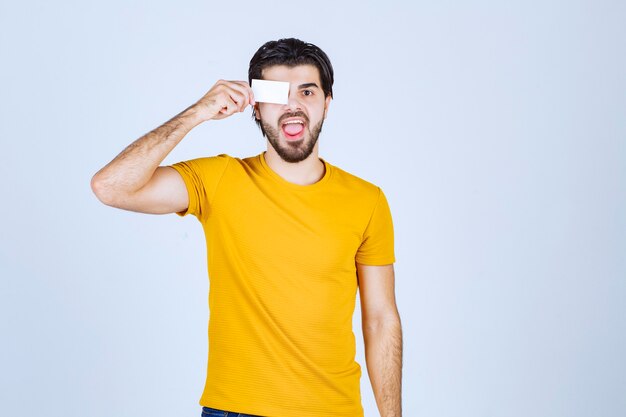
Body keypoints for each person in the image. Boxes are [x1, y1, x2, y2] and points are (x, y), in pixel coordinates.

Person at [91, 38, 402, 417]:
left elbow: (381, 318)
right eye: (277, 94)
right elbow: (110, 186)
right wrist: (197, 112)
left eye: (307, 91)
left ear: (327, 103)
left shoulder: (366, 200)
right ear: (255, 109)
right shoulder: (220, 179)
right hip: (235, 410)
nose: (293, 106)